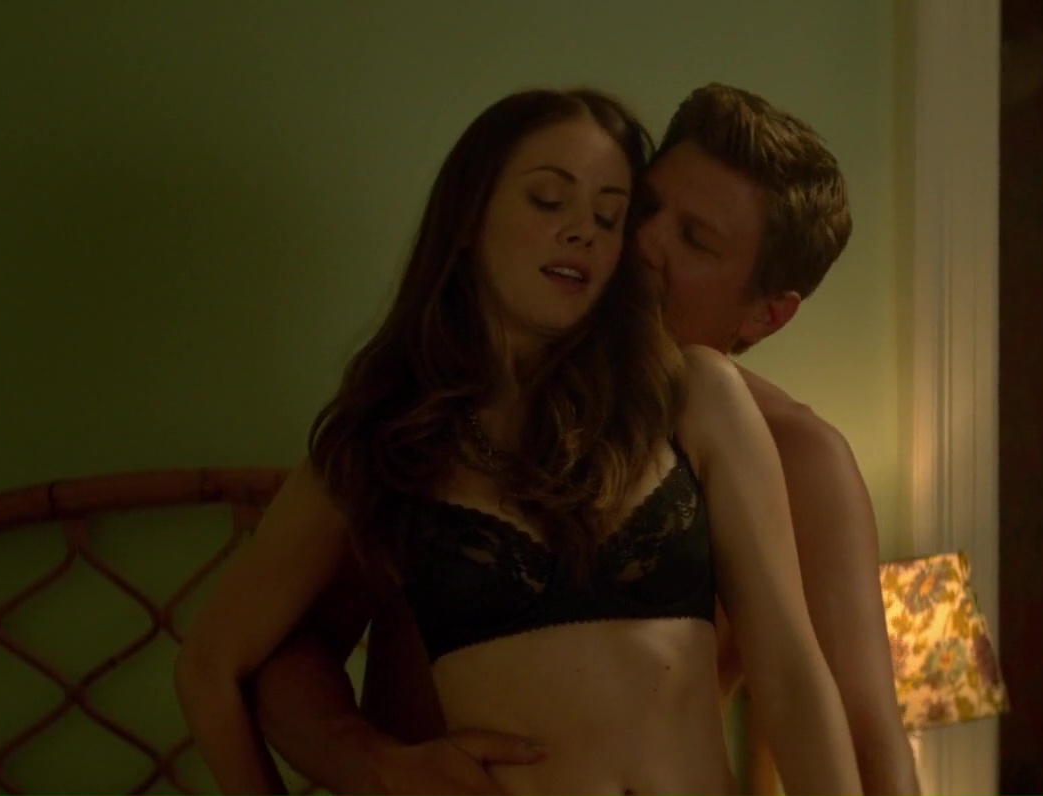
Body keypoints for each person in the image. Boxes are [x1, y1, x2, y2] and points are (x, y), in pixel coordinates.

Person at [173, 87, 864, 796]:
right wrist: (377, 764)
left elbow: (793, 677)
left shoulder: (699, 396)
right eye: (548, 200)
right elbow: (214, 666)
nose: (586, 232)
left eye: (610, 216)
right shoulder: (390, 436)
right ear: (469, 216)